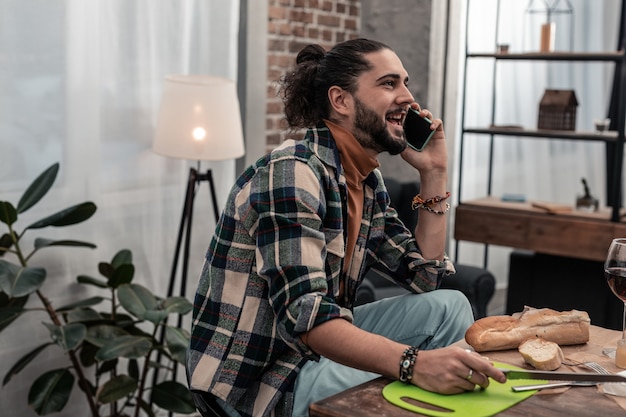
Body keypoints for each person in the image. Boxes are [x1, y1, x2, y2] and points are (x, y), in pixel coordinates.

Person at [186, 38, 506, 417]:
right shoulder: (290, 173)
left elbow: (425, 276)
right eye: (389, 84)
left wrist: (434, 172)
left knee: (449, 305)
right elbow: (307, 317)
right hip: (260, 380)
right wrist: (413, 363)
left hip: (309, 352)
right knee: (401, 379)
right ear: (341, 101)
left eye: (405, 83)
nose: (408, 97)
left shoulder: (365, 182)